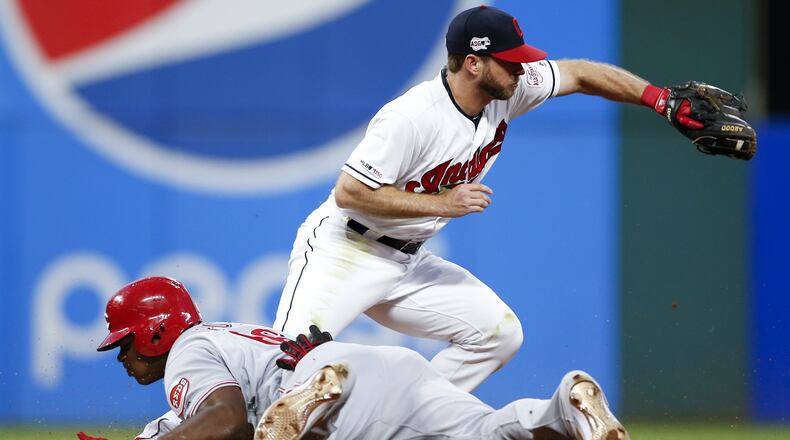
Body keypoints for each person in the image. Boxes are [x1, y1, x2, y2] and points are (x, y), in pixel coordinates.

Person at [273, 4, 700, 392]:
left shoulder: (509, 88)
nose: (521, 70)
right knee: (286, 368)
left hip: (408, 262)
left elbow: (581, 73)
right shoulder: (412, 117)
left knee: (496, 335)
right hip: (345, 251)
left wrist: (658, 100)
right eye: (510, 61)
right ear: (473, 64)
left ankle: (402, 416)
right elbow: (350, 192)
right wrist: (442, 204)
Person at [80, 276, 629, 440]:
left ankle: (304, 409)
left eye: (125, 341)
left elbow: (223, 422)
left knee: (267, 430)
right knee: (487, 434)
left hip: (328, 395)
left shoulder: (188, 352)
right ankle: (563, 408)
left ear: (154, 333)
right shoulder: (223, 344)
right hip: (386, 370)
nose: (121, 356)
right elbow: (188, 426)